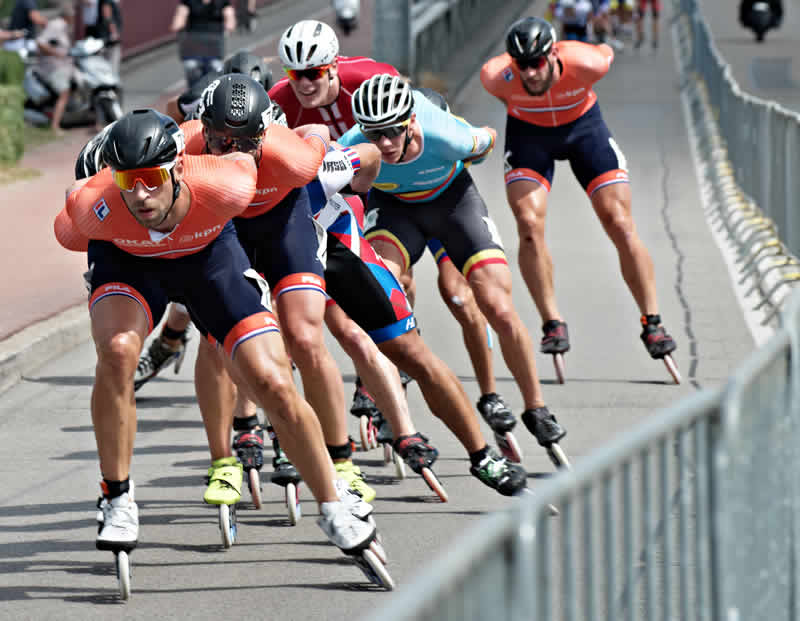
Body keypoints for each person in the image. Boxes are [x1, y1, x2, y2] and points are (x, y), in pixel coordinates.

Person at [55, 108, 378, 562]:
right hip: (131, 264)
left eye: (152, 179)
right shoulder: (92, 207)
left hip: (206, 261)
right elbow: (70, 227)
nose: (141, 195)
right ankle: (117, 497)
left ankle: (333, 502)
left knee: (272, 381)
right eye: (128, 182)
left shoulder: (230, 181)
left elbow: (306, 156)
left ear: (178, 167)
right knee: (117, 352)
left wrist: (317, 136)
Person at [270, 19, 512, 431]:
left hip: (414, 183)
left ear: (333, 65)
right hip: (360, 193)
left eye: (313, 73)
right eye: (296, 75)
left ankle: (489, 394)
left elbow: (417, 115)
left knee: (458, 295)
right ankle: (387, 363)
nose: (305, 84)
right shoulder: (281, 100)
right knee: (385, 279)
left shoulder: (369, 78)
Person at [339, 73, 568, 469]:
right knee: (380, 288)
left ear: (411, 121)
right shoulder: (353, 143)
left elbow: (487, 139)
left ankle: (536, 407)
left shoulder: (446, 135)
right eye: (375, 134)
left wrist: (474, 150)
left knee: (495, 305)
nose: (386, 143)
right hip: (395, 212)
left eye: (393, 131)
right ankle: (392, 379)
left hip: (453, 204)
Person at [480, 17, 677, 376]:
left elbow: (606, 49)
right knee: (528, 225)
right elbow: (506, 78)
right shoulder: (496, 76)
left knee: (619, 222)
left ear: (553, 55)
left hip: (584, 129)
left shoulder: (587, 62)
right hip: (530, 134)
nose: (530, 73)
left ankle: (652, 321)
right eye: (522, 65)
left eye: (537, 63)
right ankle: (552, 322)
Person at [170, 0, 235, 89]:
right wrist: (178, 23)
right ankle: (193, 92)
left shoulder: (221, 2)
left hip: (214, 45)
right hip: (194, 44)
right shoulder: (189, 2)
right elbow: (181, 15)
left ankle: (214, 92)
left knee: (215, 68)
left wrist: (229, 24)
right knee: (191, 67)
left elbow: (230, 16)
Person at [34, 1, 75, 135]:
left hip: (61, 65)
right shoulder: (57, 25)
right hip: (52, 67)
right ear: (68, 16)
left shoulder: (63, 26)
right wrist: (56, 53)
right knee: (64, 92)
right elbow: (40, 43)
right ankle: (55, 126)